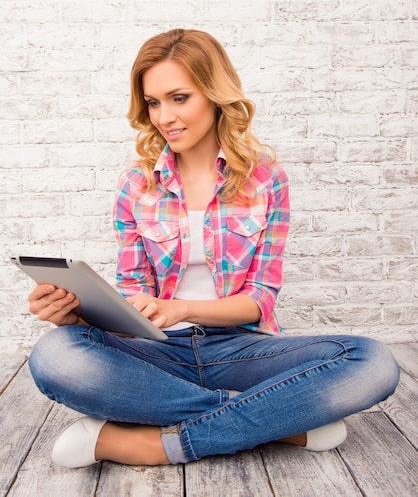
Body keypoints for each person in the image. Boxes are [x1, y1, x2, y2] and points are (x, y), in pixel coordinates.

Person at [28, 28, 399, 468]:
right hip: (156, 352)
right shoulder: (136, 186)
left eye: (179, 97)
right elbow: (134, 295)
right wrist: (78, 313)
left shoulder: (266, 180)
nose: (164, 116)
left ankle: (152, 444)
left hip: (239, 350)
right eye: (153, 102)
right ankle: (281, 421)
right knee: (54, 354)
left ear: (214, 94)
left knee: (372, 361)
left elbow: (259, 300)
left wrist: (182, 308)